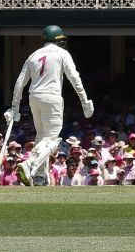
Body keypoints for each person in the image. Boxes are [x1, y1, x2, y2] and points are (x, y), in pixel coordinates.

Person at [7, 24, 94, 186]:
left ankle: (40, 176)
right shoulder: (62, 53)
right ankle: (29, 164)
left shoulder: (33, 55)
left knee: (41, 137)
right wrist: (85, 101)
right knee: (52, 139)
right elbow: (75, 78)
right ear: (56, 40)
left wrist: (15, 106)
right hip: (52, 97)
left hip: (34, 98)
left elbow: (20, 83)